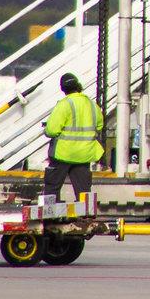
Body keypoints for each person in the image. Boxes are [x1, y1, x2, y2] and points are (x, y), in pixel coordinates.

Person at [41, 73, 105, 205]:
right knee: (83, 191)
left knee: (52, 187)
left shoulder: (64, 104)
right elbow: (99, 126)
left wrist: (46, 130)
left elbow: (52, 130)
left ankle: (50, 213)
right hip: (84, 155)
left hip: (63, 154)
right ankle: (85, 217)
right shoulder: (92, 105)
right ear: (78, 85)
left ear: (63, 89)